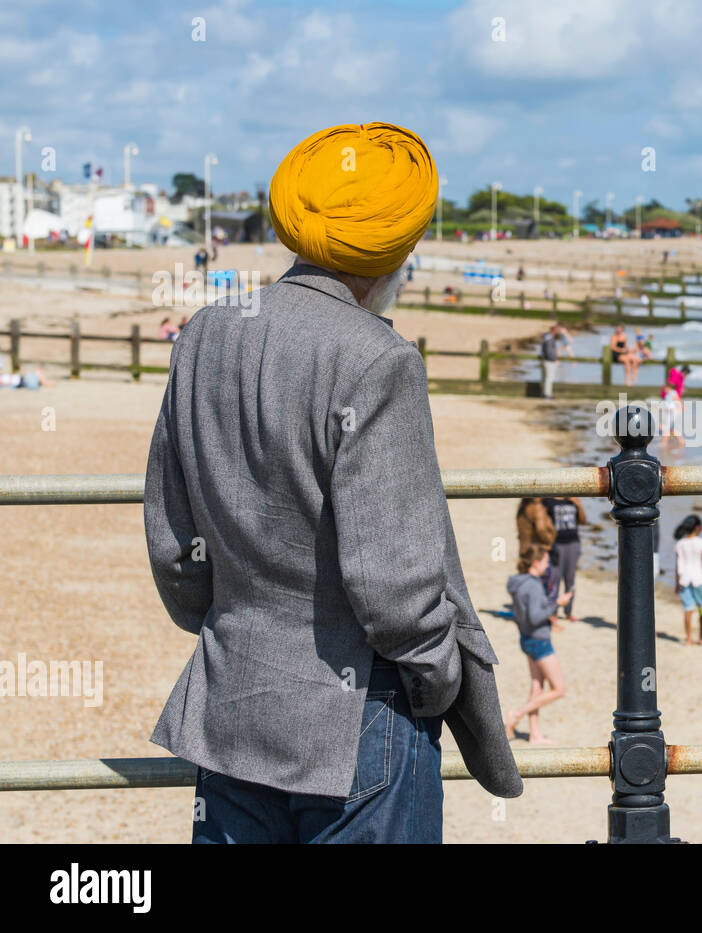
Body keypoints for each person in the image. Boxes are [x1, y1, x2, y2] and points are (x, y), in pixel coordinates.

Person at [144, 122, 522, 845]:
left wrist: (230, 623)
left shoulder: (204, 335)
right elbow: (395, 587)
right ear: (401, 246)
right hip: (360, 713)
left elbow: (174, 545)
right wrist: (436, 678)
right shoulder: (377, 358)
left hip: (232, 699)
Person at [505, 544, 572, 744]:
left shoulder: (518, 583)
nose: (548, 565)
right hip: (539, 641)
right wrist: (557, 605)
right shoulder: (533, 585)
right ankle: (516, 714)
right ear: (535, 563)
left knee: (537, 688)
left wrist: (550, 621)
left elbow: (525, 615)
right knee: (559, 689)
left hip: (526, 638)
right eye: (546, 562)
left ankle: (535, 734)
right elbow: (535, 616)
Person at [673, 515, 702, 645]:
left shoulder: (680, 544)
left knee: (688, 609)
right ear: (698, 528)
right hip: (699, 579)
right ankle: (701, 636)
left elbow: (677, 566)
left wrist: (676, 583)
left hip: (684, 579)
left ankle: (688, 638)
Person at [542, 495, 586, 619]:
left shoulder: (571, 500)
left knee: (570, 579)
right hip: (556, 544)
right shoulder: (547, 501)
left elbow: (583, 521)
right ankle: (553, 612)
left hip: (573, 543)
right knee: (554, 578)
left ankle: (568, 612)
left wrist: (578, 504)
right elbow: (542, 525)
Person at [539, 323, 562, 399]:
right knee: (549, 378)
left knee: (546, 378)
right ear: (554, 330)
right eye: (558, 329)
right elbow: (548, 351)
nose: (559, 331)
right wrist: (554, 359)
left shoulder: (548, 337)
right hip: (549, 361)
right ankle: (547, 395)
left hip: (547, 360)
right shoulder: (549, 338)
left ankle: (546, 394)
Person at [660, 377, 684, 450]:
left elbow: (677, 399)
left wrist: (681, 407)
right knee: (673, 430)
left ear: (668, 387)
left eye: (665, 388)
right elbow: (668, 404)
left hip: (673, 413)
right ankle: (682, 442)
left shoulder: (672, 392)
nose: (664, 389)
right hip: (671, 413)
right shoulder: (668, 394)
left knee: (666, 429)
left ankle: (663, 445)